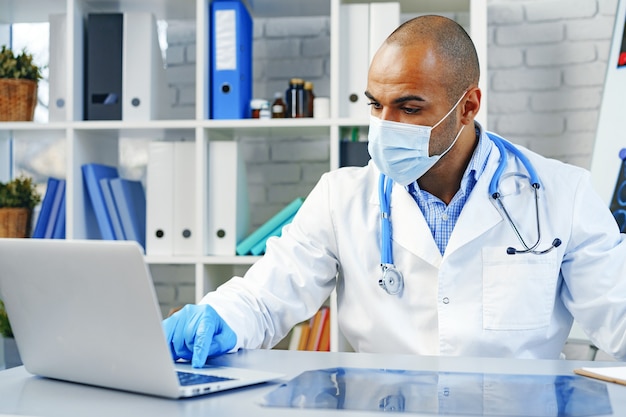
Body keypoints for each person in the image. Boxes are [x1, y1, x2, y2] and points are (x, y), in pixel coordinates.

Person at [163, 15, 626, 368]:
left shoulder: (562, 195)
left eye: (408, 107)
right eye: (376, 105)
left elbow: (619, 314)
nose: (386, 126)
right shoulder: (339, 197)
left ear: (468, 106)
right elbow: (267, 297)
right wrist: (220, 316)